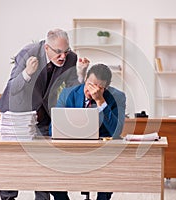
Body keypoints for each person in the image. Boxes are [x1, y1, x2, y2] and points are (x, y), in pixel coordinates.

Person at [0, 29, 89, 200]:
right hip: (19, 115)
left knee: (44, 158)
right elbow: (13, 89)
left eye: (66, 51)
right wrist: (27, 73)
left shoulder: (71, 58)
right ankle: (8, 197)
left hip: (45, 114)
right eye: (58, 52)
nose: (63, 56)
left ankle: (43, 198)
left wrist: (81, 74)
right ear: (47, 48)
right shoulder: (28, 53)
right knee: (13, 160)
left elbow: (73, 91)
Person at [51, 63, 126, 200]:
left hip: (100, 152)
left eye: (98, 87)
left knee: (108, 168)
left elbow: (116, 131)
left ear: (106, 87)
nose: (91, 90)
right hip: (71, 149)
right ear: (85, 79)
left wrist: (100, 101)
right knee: (51, 169)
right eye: (90, 84)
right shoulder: (68, 94)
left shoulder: (117, 97)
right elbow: (53, 128)